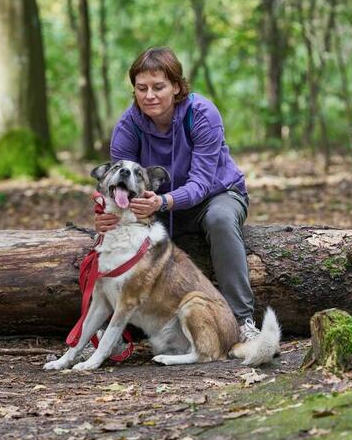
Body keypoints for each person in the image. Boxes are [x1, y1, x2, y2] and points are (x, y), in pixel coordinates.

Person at [95, 46, 260, 343]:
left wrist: (163, 201)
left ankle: (242, 321)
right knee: (115, 241)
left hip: (216, 194)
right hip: (155, 204)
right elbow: (116, 186)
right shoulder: (128, 125)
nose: (150, 96)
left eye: (159, 87)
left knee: (221, 219)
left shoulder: (201, 114)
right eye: (141, 88)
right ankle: (114, 330)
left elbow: (201, 183)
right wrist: (107, 214)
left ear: (177, 86)